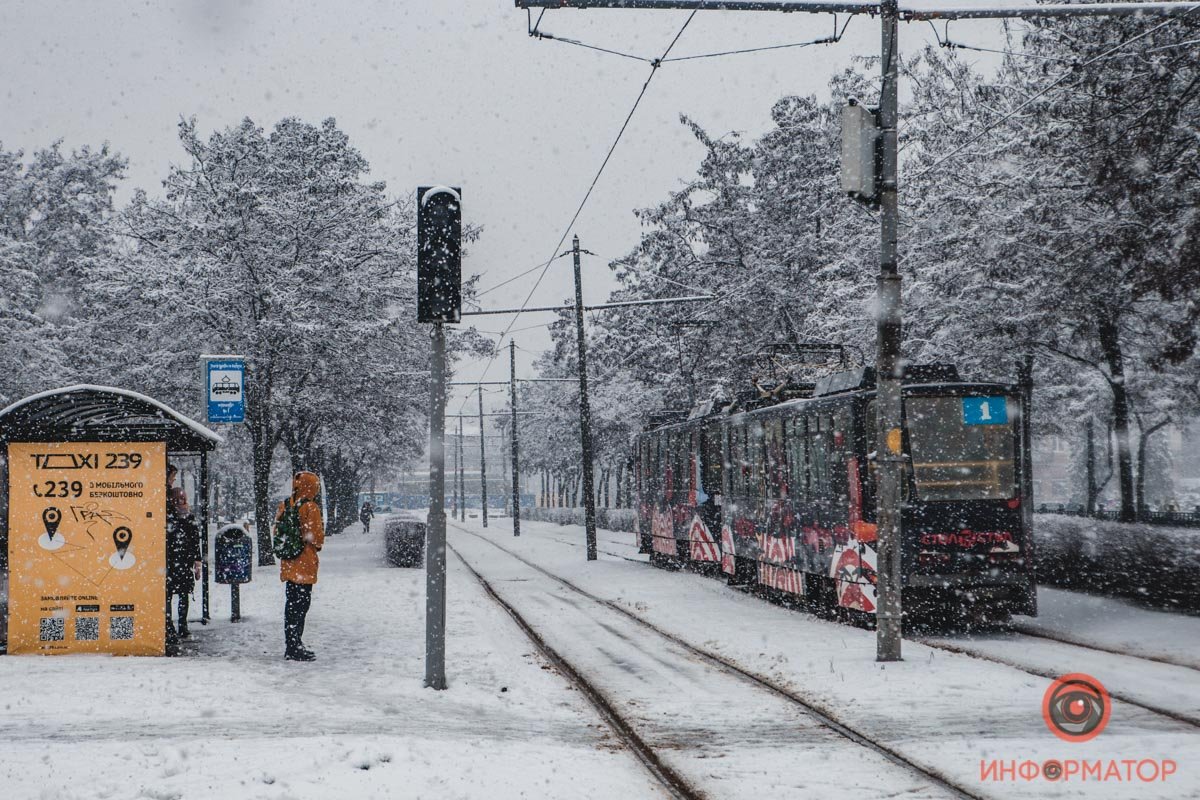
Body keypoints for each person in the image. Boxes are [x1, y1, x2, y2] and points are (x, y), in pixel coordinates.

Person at [277, 471, 324, 662]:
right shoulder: (310, 507)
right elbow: (316, 536)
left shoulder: (285, 505)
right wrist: (315, 543)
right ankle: (296, 645)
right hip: (304, 564)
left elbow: (278, 531)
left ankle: (291, 644)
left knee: (291, 605)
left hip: (289, 563)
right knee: (302, 605)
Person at [165, 465, 201, 653]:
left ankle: (175, 625)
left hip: (173, 561)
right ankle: (180, 625)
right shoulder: (183, 517)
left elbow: (194, 540)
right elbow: (194, 540)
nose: (182, 502)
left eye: (183, 499)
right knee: (180, 594)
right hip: (178, 561)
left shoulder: (172, 516)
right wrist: (196, 560)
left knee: (174, 594)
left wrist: (196, 560)